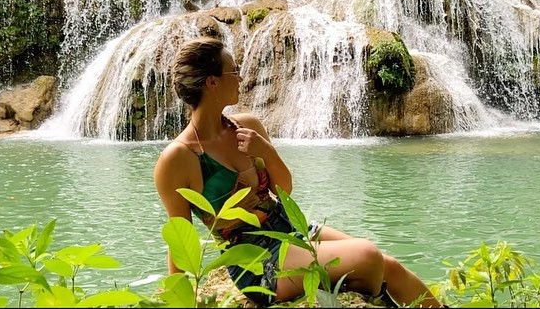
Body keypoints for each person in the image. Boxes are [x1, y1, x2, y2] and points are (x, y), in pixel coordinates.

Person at [153, 36, 443, 307]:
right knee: (367, 256)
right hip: (257, 259)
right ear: (212, 83)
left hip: (290, 226)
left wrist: (265, 151)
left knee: (387, 264)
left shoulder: (248, 126)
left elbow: (284, 189)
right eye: (234, 71)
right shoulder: (178, 158)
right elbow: (178, 239)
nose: (241, 77)